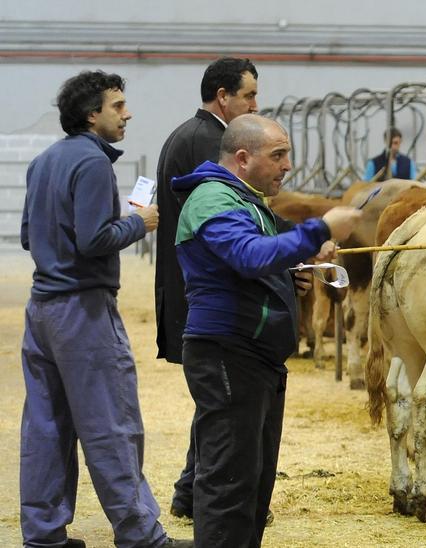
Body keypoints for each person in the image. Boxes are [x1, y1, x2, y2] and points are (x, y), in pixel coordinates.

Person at [20, 70, 192, 548]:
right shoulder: (92, 163)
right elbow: (95, 239)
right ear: (91, 114)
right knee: (112, 423)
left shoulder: (43, 161)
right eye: (117, 105)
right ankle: (140, 536)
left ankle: (43, 534)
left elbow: (29, 237)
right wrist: (139, 223)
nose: (127, 113)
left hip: (42, 310)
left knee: (46, 424)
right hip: (84, 311)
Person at [172, 114, 360, 547]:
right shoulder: (212, 199)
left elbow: (250, 265)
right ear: (242, 157)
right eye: (278, 155)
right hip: (228, 351)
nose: (287, 165)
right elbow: (247, 255)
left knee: (252, 479)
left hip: (254, 355)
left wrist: (285, 275)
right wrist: (322, 228)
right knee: (228, 481)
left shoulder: (245, 200)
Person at [154, 56, 259, 521]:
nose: (256, 104)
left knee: (214, 400)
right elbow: (219, 230)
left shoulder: (186, 133)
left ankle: (189, 491)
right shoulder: (211, 144)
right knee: (220, 399)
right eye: (249, 95)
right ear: (223, 97)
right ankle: (203, 495)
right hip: (203, 296)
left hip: (189, 288)